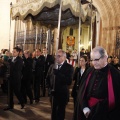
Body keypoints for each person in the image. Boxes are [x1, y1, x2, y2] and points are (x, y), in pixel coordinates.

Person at [73, 46, 120, 120]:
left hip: (104, 114)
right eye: (92, 60)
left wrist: (96, 109)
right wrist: (84, 107)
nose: (94, 63)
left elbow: (116, 99)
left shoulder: (115, 74)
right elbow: (82, 91)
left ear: (105, 58)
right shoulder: (89, 71)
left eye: (97, 60)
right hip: (86, 112)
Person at [46, 49, 74, 120]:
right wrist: (49, 89)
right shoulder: (52, 66)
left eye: (59, 56)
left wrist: (58, 73)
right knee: (53, 113)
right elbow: (47, 78)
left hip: (62, 94)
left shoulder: (69, 67)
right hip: (53, 94)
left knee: (60, 113)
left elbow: (69, 81)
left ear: (64, 57)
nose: (57, 58)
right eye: (56, 56)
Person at [4, 46, 25, 111]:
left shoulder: (20, 60)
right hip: (10, 78)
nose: (13, 53)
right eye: (12, 51)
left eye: (14, 52)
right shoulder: (11, 59)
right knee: (9, 93)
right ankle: (10, 105)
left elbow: (17, 69)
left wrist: (10, 63)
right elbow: (8, 68)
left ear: (18, 52)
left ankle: (22, 101)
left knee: (17, 92)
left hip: (16, 79)